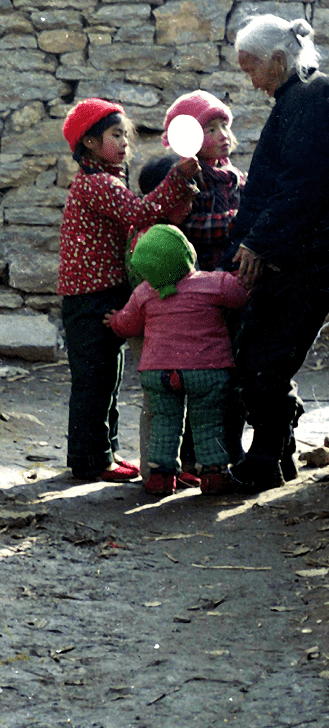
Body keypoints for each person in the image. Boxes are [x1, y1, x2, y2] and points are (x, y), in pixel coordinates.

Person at [225, 14, 329, 494]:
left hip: (309, 256)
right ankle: (275, 456)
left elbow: (302, 188)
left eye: (252, 71)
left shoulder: (313, 100)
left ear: (279, 60)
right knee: (263, 355)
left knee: (265, 356)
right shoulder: (301, 97)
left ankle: (266, 459)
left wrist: (260, 243)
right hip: (298, 252)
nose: (251, 82)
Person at [58, 98, 199, 482]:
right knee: (94, 379)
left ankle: (105, 452)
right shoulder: (97, 184)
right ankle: (89, 459)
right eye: (115, 135)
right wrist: (176, 180)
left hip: (103, 292)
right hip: (90, 297)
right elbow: (140, 214)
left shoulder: (106, 180)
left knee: (108, 375)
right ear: (88, 142)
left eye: (126, 135)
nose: (124, 143)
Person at [106, 225, 251, 497]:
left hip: (158, 373)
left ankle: (160, 478)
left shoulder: (143, 293)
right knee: (208, 421)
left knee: (164, 421)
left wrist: (113, 321)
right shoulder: (212, 283)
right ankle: (214, 476)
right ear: (187, 253)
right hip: (206, 371)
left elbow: (127, 325)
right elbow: (239, 295)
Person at [125, 154, 200, 488]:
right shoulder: (150, 239)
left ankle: (171, 465)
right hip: (152, 331)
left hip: (161, 331)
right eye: (184, 194)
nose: (191, 201)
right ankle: (154, 468)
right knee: (156, 401)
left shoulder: (166, 232)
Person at [161, 90, 245, 272]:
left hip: (234, 263)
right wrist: (233, 221)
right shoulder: (189, 176)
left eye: (225, 126)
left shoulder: (232, 173)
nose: (223, 135)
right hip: (204, 268)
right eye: (212, 130)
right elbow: (190, 225)